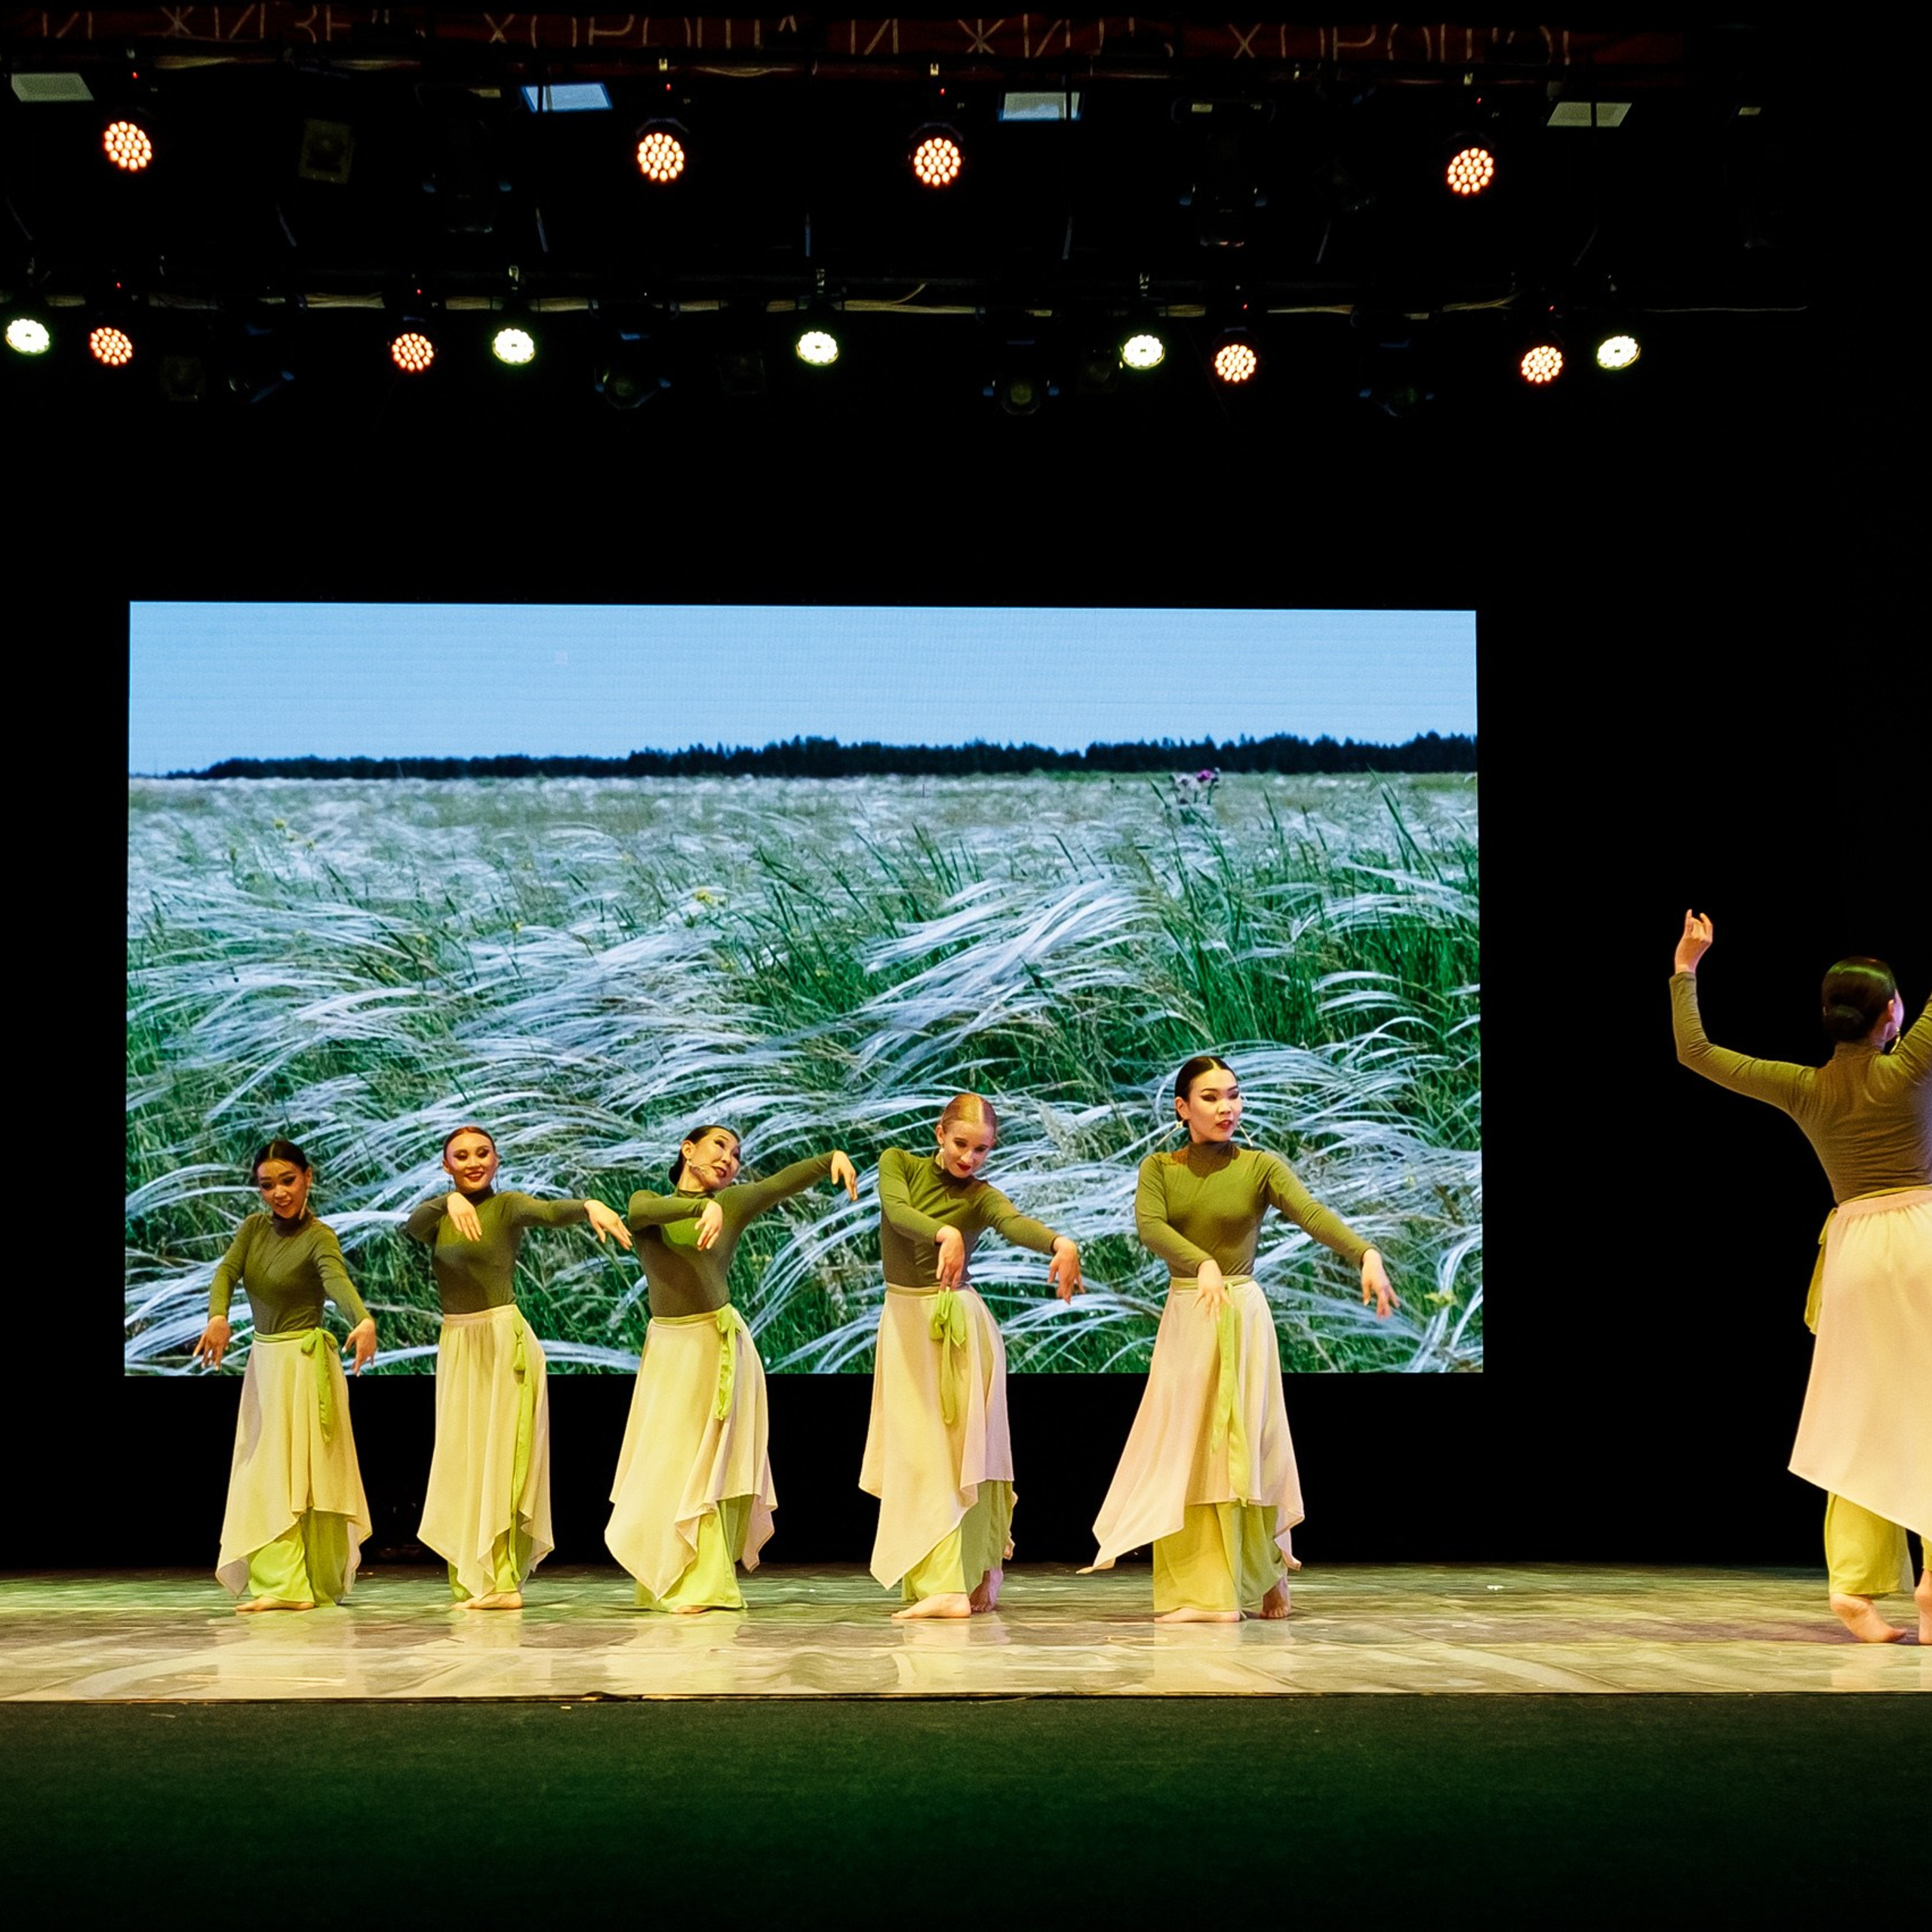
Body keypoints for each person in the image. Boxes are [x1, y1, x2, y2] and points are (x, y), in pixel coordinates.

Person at [1670, 912, 1930, 1643]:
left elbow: (1694, 1052)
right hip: (1922, 1239)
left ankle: (1855, 1584)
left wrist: (1686, 968)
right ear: (1891, 1015)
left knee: (1864, 1416)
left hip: (1852, 1255)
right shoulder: (1911, 1065)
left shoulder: (1806, 1088)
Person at [1088, 1056, 1397, 1622]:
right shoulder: (1159, 1167)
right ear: (1182, 1109)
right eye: (1209, 1098)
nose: (1226, 1106)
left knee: (1245, 1445)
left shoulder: (1259, 1166)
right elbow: (1150, 1226)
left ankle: (1248, 1580)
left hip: (1241, 1314)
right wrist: (1200, 1261)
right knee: (1189, 1447)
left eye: (1233, 1095)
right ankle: (1219, 1585)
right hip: (1189, 1314)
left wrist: (1366, 1254)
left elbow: (1310, 1213)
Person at [608, 1126, 859, 1612]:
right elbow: (641, 1213)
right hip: (669, 1350)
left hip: (718, 1346)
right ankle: (662, 1576)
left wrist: (829, 1156)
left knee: (705, 1470)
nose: (729, 1159)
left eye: (737, 1154)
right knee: (665, 1465)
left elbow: (779, 1183)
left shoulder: (735, 1203)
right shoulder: (650, 1202)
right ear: (688, 1150)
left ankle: (703, 1582)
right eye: (719, 1146)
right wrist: (702, 1206)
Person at [865, 1094, 1083, 1620]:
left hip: (958, 1328)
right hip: (907, 1325)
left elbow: (1012, 1222)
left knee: (959, 1456)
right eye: (962, 1145)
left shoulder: (981, 1196)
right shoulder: (899, 1164)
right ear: (940, 1134)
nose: (970, 1158)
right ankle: (955, 1577)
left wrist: (1059, 1242)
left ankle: (959, 1579)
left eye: (982, 1150)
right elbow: (897, 1211)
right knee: (919, 1456)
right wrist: (944, 1232)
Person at [403, 1125, 633, 1610]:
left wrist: (588, 1206)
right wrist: (448, 1203)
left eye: (482, 1153)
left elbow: (548, 1213)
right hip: (458, 1343)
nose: (473, 1162)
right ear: (446, 1166)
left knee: (501, 1459)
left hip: (502, 1340)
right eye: (461, 1156)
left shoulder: (506, 1206)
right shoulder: (441, 1215)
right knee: (464, 1463)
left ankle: (503, 1582)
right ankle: (475, 1578)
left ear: (496, 1159)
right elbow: (412, 1225)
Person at [192, 1138, 378, 1613]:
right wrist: (218, 1316)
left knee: (301, 1476)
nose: (279, 1193)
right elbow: (226, 1273)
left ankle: (302, 1583)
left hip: (303, 1366)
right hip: (265, 1365)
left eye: (288, 1181)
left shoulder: (320, 1236)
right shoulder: (253, 1229)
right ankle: (284, 1582)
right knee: (265, 1473)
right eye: (267, 1185)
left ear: (307, 1177)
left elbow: (335, 1279)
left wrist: (362, 1318)